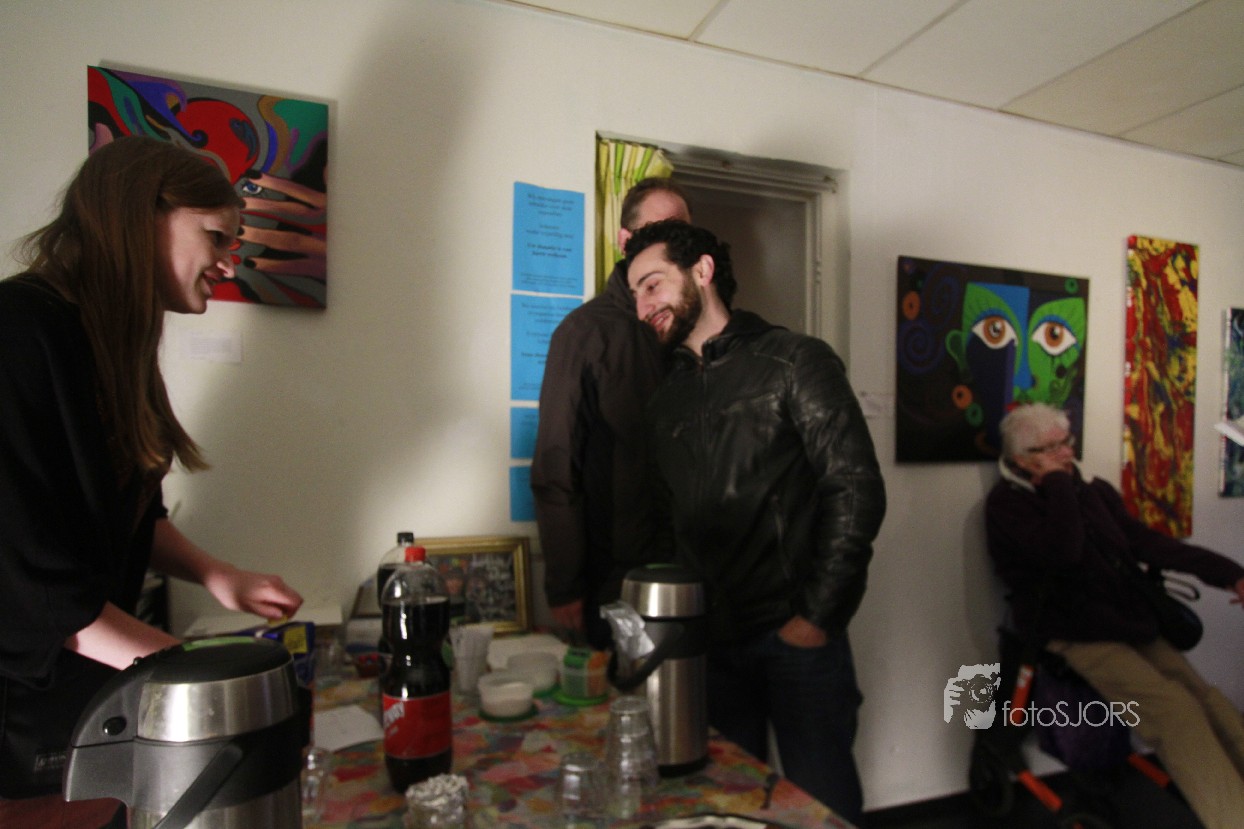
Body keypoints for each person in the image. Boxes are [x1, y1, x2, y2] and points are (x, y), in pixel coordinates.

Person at [0, 136, 304, 826]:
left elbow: (130, 514)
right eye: (216, 237)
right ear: (142, 216)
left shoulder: (113, 346)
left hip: (88, 694)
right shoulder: (18, 331)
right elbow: (33, 588)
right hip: (20, 715)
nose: (227, 264)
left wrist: (219, 575)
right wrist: (187, 669)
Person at [623, 219, 886, 823]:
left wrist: (816, 618)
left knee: (822, 808)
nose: (643, 307)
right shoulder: (664, 401)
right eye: (636, 294)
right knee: (729, 807)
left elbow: (855, 489)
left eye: (653, 284)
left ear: (702, 271)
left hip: (796, 638)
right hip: (709, 646)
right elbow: (664, 525)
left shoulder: (794, 361)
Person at [986, 402, 1244, 829]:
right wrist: (1058, 485)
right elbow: (1064, 553)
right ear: (1021, 459)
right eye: (1051, 448)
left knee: (1207, 701)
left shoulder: (1092, 492)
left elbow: (1147, 543)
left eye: (1066, 442)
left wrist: (1231, 575)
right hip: (1076, 634)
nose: (1066, 453)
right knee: (1175, 715)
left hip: (1128, 622)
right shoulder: (1008, 506)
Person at [530, 178, 691, 648]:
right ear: (624, 242)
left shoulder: (697, 330)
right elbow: (555, 467)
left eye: (682, 232)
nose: (673, 245)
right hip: (615, 580)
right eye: (659, 230)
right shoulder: (583, 333)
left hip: (697, 573)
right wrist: (564, 585)